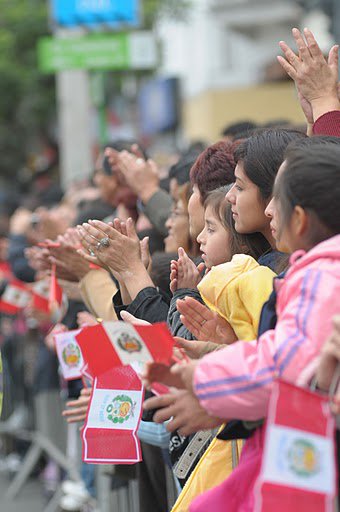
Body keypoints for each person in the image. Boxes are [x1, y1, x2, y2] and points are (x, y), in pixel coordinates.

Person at [144, 142, 340, 512]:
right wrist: (221, 357)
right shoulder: (313, 272)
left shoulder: (321, 276)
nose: (267, 210)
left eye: (275, 199)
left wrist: (204, 381)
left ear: (298, 218)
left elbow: (286, 365)